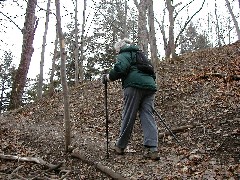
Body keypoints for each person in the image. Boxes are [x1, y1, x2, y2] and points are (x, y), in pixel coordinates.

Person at [102, 38, 160, 160]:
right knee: (148, 115)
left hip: (134, 86)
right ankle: (152, 148)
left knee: (129, 115)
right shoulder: (140, 54)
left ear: (119, 48)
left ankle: (120, 146)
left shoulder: (124, 54)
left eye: (117, 51)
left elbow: (120, 69)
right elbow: (151, 71)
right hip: (150, 86)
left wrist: (108, 77)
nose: (117, 53)